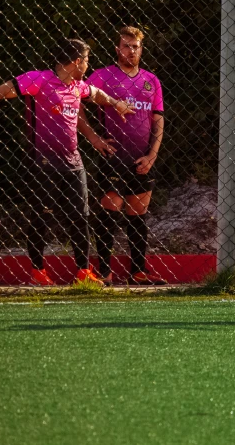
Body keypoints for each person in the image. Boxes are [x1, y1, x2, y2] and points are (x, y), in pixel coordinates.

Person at [0, 39, 134, 286]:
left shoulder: (77, 85)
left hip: (74, 164)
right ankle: (37, 271)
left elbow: (95, 94)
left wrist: (116, 103)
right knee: (41, 216)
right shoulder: (38, 79)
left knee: (80, 216)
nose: (87, 65)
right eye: (86, 60)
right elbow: (0, 91)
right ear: (77, 61)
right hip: (43, 163)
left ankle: (83, 272)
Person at [83, 27, 166, 285]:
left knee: (138, 214)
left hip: (141, 158)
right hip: (113, 156)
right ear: (117, 49)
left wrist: (152, 155)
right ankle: (104, 272)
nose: (132, 51)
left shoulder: (151, 80)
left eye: (136, 46)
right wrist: (94, 138)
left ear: (142, 49)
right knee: (110, 209)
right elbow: (76, 102)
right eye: (127, 46)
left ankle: (138, 270)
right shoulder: (101, 76)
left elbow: (158, 120)